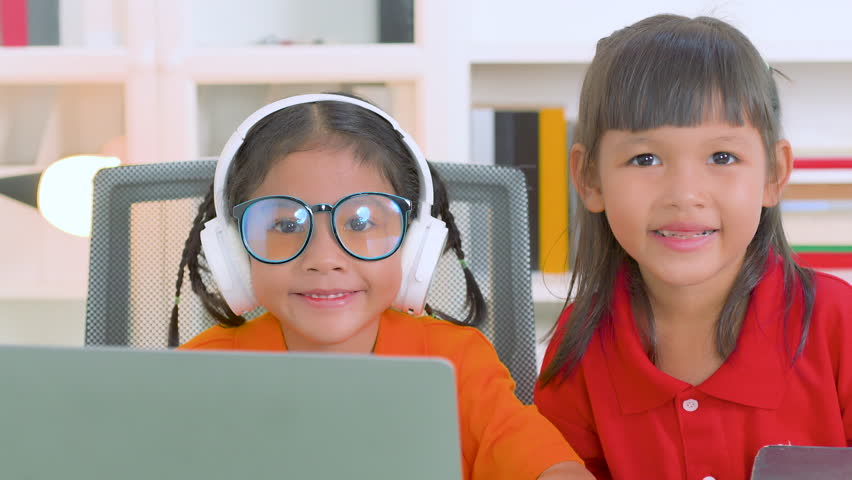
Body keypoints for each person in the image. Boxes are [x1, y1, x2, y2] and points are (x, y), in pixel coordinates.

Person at [172, 93, 592, 480]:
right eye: (285, 225)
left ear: (414, 245)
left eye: (359, 223)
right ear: (232, 248)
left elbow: (547, 465)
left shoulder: (454, 365)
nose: (323, 259)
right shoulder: (195, 376)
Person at [534, 14, 852, 480]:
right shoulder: (581, 342)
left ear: (773, 174)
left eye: (722, 157)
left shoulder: (836, 325)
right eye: (646, 158)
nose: (685, 193)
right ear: (589, 178)